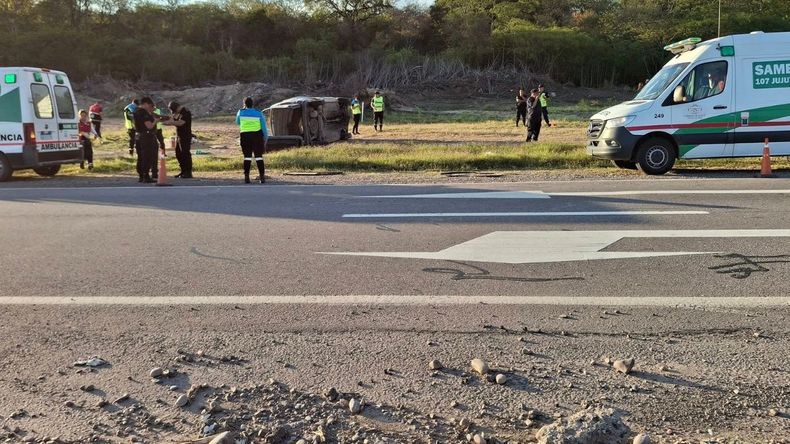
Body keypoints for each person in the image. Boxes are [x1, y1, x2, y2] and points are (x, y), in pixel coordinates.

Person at [235, 97, 268, 184]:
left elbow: (237, 122)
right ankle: (262, 177)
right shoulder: (258, 113)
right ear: (252, 104)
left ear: (244, 104)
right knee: (259, 156)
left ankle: (246, 177)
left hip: (245, 136)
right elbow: (264, 127)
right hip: (257, 136)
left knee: (247, 157)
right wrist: (265, 137)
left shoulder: (241, 112)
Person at [133, 97, 160, 183]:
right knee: (147, 156)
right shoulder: (143, 112)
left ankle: (141, 175)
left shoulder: (136, 111)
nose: (150, 107)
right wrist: (155, 121)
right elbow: (149, 126)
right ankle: (146, 176)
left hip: (139, 136)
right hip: (146, 136)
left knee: (140, 156)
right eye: (150, 105)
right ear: (145, 104)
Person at [166, 101, 193, 179]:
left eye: (174, 110)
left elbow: (181, 123)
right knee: (178, 153)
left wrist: (170, 123)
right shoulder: (178, 113)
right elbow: (173, 118)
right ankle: (183, 171)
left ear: (177, 107)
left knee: (185, 153)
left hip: (185, 136)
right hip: (179, 136)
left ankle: (188, 172)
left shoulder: (186, 112)